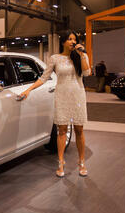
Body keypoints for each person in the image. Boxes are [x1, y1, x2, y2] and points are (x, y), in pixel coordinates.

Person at [19, 30, 92, 177]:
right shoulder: (55, 58)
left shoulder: (81, 56)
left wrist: (82, 55)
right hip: (62, 96)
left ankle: (81, 162)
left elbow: (87, 73)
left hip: (78, 96)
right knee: (62, 130)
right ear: (63, 41)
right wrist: (29, 89)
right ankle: (60, 162)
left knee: (79, 130)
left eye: (74, 39)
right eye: (69, 39)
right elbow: (44, 78)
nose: (72, 42)